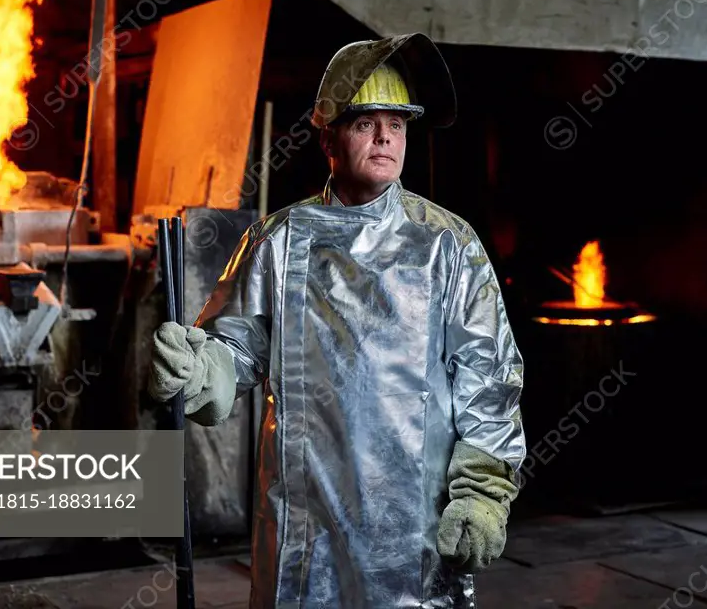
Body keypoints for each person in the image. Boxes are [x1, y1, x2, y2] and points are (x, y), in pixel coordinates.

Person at [148, 32, 526, 608]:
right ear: (328, 136)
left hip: (414, 529)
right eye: (365, 122)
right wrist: (199, 371)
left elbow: (489, 378)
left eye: (396, 124)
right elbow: (236, 351)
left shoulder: (447, 244)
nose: (384, 137)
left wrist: (481, 494)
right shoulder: (277, 241)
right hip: (305, 526)